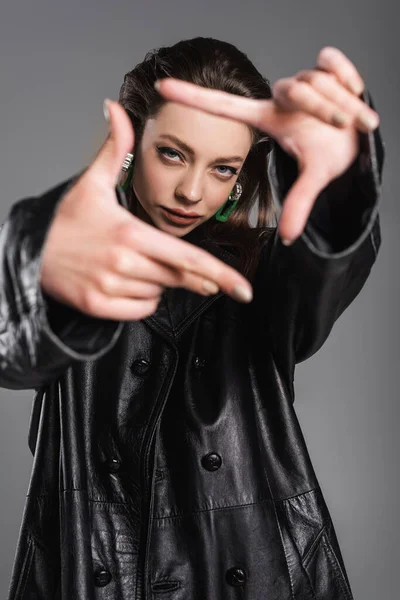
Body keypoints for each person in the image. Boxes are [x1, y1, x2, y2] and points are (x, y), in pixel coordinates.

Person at [2, 37, 383, 600]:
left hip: (250, 566)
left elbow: (325, 270)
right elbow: (14, 356)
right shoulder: (78, 257)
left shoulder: (261, 272)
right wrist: (41, 270)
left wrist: (338, 188)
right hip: (95, 560)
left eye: (223, 168)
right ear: (130, 141)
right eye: (173, 153)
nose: (191, 191)